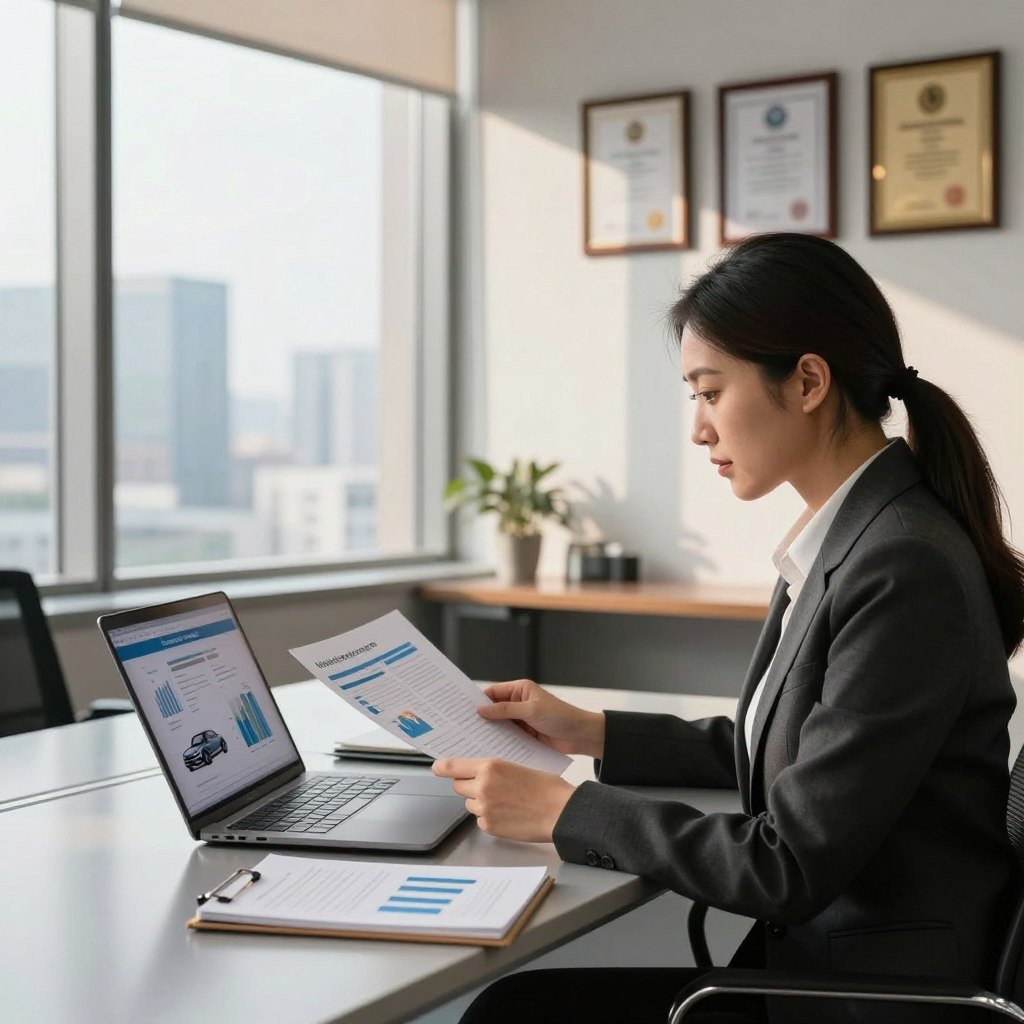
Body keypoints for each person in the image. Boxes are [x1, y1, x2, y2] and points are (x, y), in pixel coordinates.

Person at [432, 233, 1024, 1024]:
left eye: (710, 393)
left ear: (808, 381)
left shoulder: (901, 563)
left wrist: (566, 811)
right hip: (829, 969)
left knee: (512, 1013)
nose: (700, 430)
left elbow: (789, 864)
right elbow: (802, 751)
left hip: (866, 1001)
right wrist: (594, 731)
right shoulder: (859, 535)